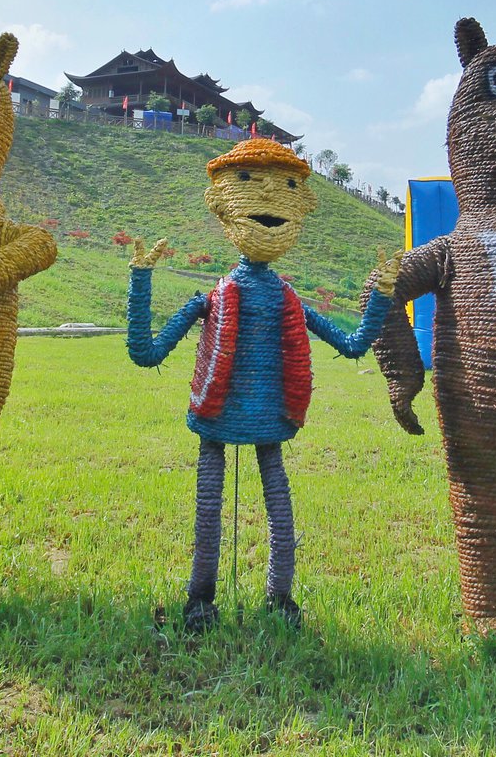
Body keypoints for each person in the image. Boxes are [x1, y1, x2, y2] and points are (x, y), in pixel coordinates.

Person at [125, 138, 397, 630]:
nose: (271, 197)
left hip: (272, 413)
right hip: (219, 411)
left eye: (288, 185)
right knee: (212, 509)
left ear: (302, 205)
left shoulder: (285, 297)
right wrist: (141, 279)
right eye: (251, 181)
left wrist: (380, 295)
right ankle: (201, 597)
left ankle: (280, 598)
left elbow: (354, 344)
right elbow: (146, 352)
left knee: (276, 505)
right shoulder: (214, 297)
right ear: (222, 204)